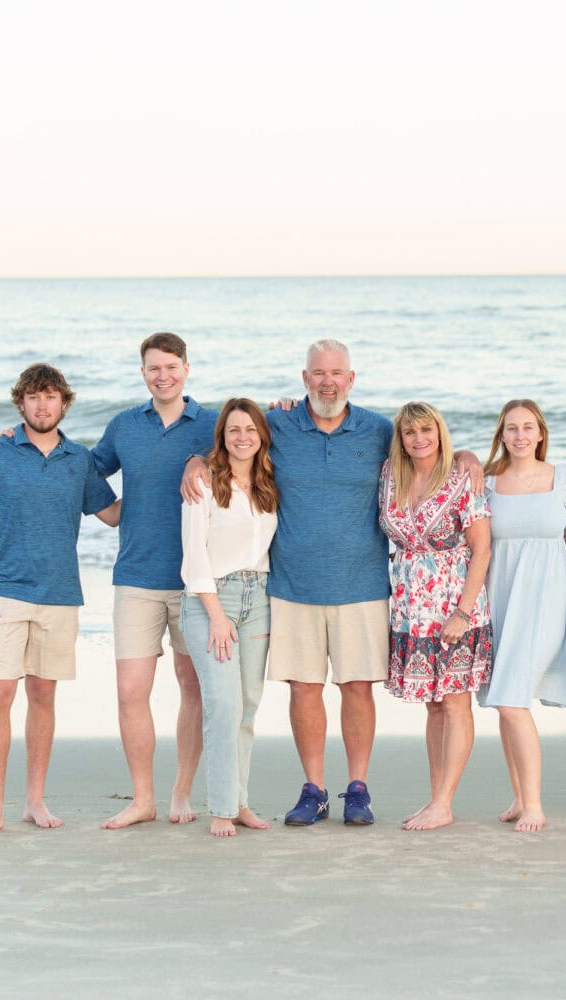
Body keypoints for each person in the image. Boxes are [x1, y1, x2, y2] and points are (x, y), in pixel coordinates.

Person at [181, 339, 481, 827]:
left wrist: (465, 453)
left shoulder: (379, 429)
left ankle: (357, 789)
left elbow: (423, 448)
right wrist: (196, 460)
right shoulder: (277, 424)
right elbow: (233, 438)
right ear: (304, 379)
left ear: (351, 378)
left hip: (362, 587)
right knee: (303, 689)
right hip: (292, 587)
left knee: (357, 688)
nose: (327, 381)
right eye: (318, 373)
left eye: (336, 372)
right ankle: (314, 789)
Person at [0, 363, 119, 835]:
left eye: (51, 397)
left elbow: (111, 514)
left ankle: (35, 802)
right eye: (33, 397)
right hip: (2, 594)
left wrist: (168, 485)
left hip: (60, 595)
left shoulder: (80, 459)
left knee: (43, 695)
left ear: (63, 403)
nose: (42, 405)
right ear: (21, 403)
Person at [93, 332, 220, 829]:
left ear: (187, 367)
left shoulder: (211, 424)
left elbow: (251, 456)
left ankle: (181, 792)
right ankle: (141, 798)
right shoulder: (124, 425)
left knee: (193, 687)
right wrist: (108, 511)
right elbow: (83, 468)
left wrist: (203, 458)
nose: (162, 375)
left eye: (170, 365)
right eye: (153, 368)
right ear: (143, 373)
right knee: (131, 691)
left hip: (196, 580)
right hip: (137, 577)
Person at [379, 402, 493, 831]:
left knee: (455, 702)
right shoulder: (391, 476)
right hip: (411, 609)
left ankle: (444, 802)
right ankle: (436, 799)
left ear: (440, 433)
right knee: (432, 706)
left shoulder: (463, 476)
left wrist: (462, 613)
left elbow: (481, 548)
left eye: (426, 430)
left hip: (455, 606)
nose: (418, 439)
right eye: (409, 432)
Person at [479, 399, 566, 833]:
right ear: (501, 434)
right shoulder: (486, 482)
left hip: (547, 597)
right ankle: (519, 797)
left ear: (541, 433)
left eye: (528, 427)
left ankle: (535, 805)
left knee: (512, 698)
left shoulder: (564, 478)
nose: (520, 435)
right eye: (511, 428)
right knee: (506, 700)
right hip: (500, 594)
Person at [178, 398, 279, 837]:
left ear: (262, 436)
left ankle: (239, 802)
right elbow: (194, 554)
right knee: (223, 705)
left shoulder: (267, 484)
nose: (243, 438)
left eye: (250, 430)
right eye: (234, 430)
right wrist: (216, 615)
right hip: (211, 599)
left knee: (248, 706)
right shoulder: (203, 482)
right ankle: (220, 808)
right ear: (222, 436)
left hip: (259, 598)